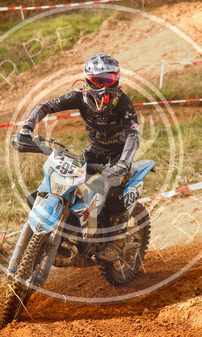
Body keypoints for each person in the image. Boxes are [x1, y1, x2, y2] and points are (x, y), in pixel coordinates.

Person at [16, 53, 140, 261]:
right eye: (99, 80)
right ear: (88, 80)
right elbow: (46, 106)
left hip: (119, 156)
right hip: (94, 151)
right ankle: (72, 228)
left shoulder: (122, 102)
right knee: (70, 183)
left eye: (109, 79)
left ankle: (117, 240)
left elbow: (133, 133)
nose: (105, 86)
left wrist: (124, 163)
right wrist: (26, 129)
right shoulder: (79, 97)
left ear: (117, 79)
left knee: (113, 189)